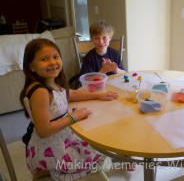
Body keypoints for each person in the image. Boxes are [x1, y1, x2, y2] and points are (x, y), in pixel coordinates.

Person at [19, 38, 119, 180]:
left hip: (61, 137)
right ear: (31, 67)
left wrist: (98, 95)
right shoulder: (40, 91)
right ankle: (46, 170)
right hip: (51, 147)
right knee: (98, 156)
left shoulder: (51, 82)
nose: (52, 62)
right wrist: (74, 117)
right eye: (44, 59)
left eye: (56, 57)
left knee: (94, 146)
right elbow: (43, 130)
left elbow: (69, 94)